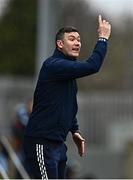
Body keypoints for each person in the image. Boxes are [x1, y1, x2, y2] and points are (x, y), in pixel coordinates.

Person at [23, 15, 111, 179]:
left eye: (78, 39)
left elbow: (67, 104)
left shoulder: (67, 74)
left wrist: (74, 129)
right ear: (60, 44)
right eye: (71, 39)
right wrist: (103, 38)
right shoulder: (53, 65)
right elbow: (92, 66)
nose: (77, 43)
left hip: (58, 144)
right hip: (41, 142)